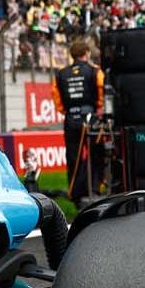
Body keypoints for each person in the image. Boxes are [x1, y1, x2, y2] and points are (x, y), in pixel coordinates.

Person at [53, 37, 103, 203]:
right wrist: (98, 111)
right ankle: (94, 188)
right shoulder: (95, 71)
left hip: (70, 119)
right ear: (86, 53)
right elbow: (101, 93)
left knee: (73, 156)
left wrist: (67, 111)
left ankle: (74, 192)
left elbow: (57, 100)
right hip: (90, 118)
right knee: (95, 153)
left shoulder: (61, 74)